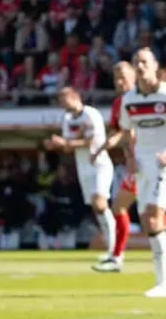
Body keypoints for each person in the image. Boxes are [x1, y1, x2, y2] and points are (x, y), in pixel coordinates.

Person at [93, 48, 166, 297]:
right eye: (137, 62)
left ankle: (163, 284)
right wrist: (131, 159)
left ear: (155, 66)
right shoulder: (129, 101)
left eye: (145, 61)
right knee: (148, 222)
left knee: (154, 214)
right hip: (142, 163)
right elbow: (127, 131)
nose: (140, 66)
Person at [92, 61, 166, 273]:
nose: (119, 82)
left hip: (145, 162)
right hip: (137, 162)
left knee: (127, 209)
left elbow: (131, 135)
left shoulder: (147, 98)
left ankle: (117, 256)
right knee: (150, 213)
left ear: (135, 76)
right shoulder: (122, 102)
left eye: (123, 76)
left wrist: (130, 157)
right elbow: (123, 133)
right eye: (116, 78)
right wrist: (104, 148)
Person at [45, 87, 116, 263]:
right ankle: (110, 248)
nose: (61, 103)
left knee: (100, 204)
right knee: (96, 208)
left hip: (99, 164)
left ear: (75, 97)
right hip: (83, 167)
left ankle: (115, 249)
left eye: (63, 99)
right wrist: (57, 145)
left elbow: (91, 141)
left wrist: (66, 142)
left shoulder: (91, 114)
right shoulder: (67, 119)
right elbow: (70, 146)